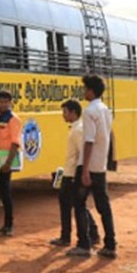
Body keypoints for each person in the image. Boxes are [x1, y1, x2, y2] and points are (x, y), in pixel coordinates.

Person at [68, 74, 118, 258]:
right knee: (104, 206)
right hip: (100, 165)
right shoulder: (106, 109)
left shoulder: (89, 111)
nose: (84, 92)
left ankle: (84, 244)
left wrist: (85, 170)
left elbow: (89, 141)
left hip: (88, 165)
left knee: (79, 204)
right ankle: (110, 244)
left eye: (85, 88)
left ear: (90, 90)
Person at [50, 99, 100, 247]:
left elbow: (82, 154)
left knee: (72, 205)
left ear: (73, 112)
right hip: (70, 172)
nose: (63, 115)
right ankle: (91, 233)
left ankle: (69, 236)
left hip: (72, 174)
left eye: (65, 112)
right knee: (76, 205)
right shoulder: (76, 128)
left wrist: (78, 174)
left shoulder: (78, 130)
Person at [0, 90, 21, 237]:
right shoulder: (0, 118)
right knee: (3, 192)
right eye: (0, 102)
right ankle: (6, 225)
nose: (2, 104)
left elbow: (15, 143)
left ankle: (9, 225)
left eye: (5, 102)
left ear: (10, 102)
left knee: (6, 194)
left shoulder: (13, 119)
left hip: (6, 160)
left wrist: (8, 163)